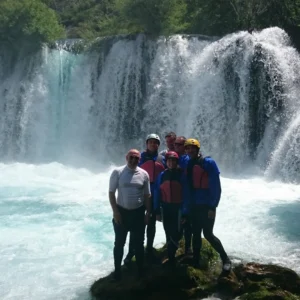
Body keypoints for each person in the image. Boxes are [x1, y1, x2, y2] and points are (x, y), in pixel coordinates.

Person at [184, 138, 231, 271]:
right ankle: (196, 260)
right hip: (193, 205)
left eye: (192, 148)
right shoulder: (187, 162)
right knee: (196, 233)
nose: (190, 150)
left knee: (208, 234)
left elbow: (216, 187)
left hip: (206, 205)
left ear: (198, 149)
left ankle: (225, 258)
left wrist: (213, 206)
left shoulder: (208, 163)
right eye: (187, 148)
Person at [109, 149, 151, 280]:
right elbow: (111, 193)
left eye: (136, 158)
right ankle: (117, 272)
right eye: (131, 157)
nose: (133, 160)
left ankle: (140, 271)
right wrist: (115, 212)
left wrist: (148, 213)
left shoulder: (144, 174)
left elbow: (147, 195)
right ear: (126, 157)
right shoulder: (118, 172)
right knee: (119, 243)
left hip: (138, 213)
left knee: (139, 244)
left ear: (140, 160)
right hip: (122, 212)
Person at [124, 134, 165, 264]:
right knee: (136, 226)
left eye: (155, 142)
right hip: (140, 195)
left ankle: (148, 249)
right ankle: (131, 253)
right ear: (147, 144)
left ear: (158, 145)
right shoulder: (139, 157)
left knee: (151, 224)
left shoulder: (162, 159)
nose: (153, 144)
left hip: (155, 195)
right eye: (151, 142)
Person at [154, 151, 188, 267]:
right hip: (166, 208)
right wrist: (157, 210)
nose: (172, 162)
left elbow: (186, 194)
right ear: (166, 162)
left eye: (174, 160)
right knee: (168, 232)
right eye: (169, 160)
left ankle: (172, 255)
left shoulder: (182, 176)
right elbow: (157, 192)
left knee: (177, 233)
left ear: (177, 162)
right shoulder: (162, 175)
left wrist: (185, 212)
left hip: (178, 208)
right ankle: (171, 257)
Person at [174, 136, 192, 255]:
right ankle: (173, 248)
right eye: (175, 144)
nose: (176, 146)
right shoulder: (172, 158)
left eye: (179, 145)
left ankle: (187, 248)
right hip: (174, 196)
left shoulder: (188, 159)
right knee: (176, 224)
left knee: (187, 223)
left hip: (187, 195)